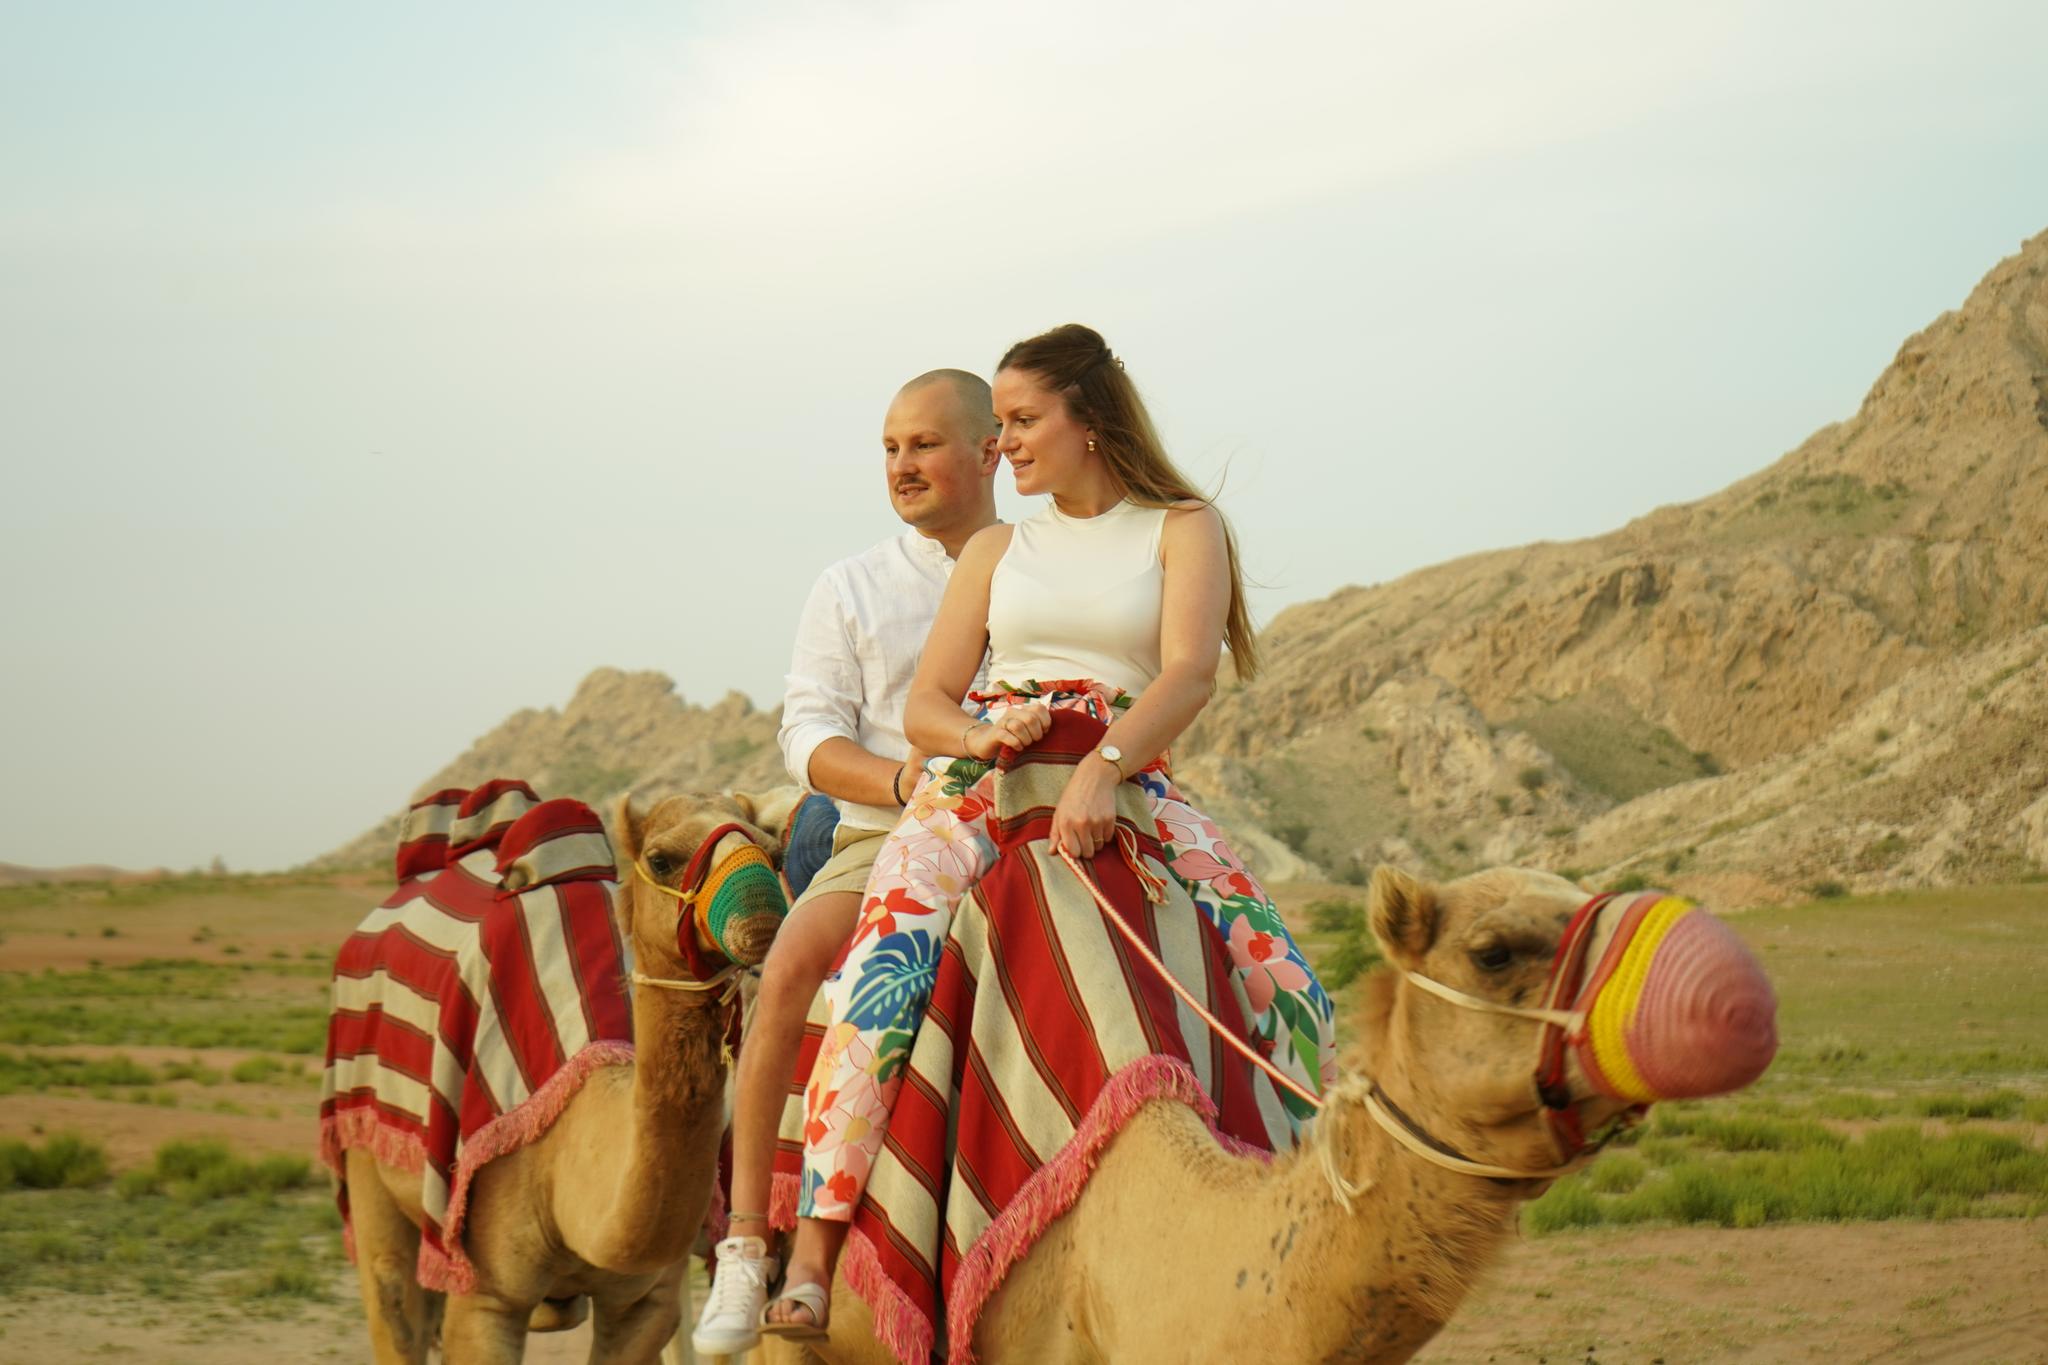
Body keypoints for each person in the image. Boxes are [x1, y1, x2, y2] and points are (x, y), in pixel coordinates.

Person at [763, 324, 1337, 1335]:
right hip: (980, 785)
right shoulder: (997, 548)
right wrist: (986, 736)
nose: (1005, 445)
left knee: (1289, 990)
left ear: (1088, 419)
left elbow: (1187, 672)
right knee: (881, 970)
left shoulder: (1181, 526)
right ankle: (812, 1250)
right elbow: (932, 704)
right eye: (1000, 425)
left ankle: (1296, 1235)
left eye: (1023, 422)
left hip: (1122, 775)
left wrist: (1103, 769)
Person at [691, 369, 1000, 1356]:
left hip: (1021, 828)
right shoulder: (855, 585)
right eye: (888, 448)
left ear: (991, 449)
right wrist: (897, 782)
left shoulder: (1039, 566)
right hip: (879, 829)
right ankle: (747, 1244)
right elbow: (807, 733)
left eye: (923, 445)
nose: (901, 466)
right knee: (783, 971)